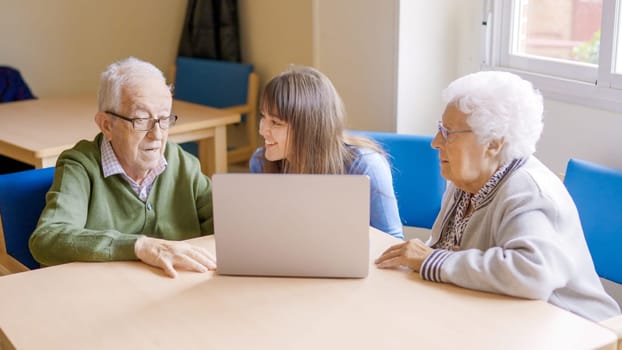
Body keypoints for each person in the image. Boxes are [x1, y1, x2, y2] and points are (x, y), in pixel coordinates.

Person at [375, 71, 621, 321]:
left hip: (576, 329)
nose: (436, 142)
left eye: (449, 133)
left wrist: (433, 261)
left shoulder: (529, 192)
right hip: (502, 318)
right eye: (440, 129)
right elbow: (442, 253)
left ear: (493, 144)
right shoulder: (465, 181)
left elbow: (532, 273)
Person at [29, 57, 216, 278]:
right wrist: (139, 246)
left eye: (164, 119)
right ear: (107, 125)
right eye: (141, 120)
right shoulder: (80, 166)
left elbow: (226, 221)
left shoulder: (181, 162)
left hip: (177, 291)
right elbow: (48, 238)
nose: (157, 135)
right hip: (104, 297)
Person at [249, 66, 403, 240]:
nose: (262, 130)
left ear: (309, 128)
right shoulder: (260, 162)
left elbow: (392, 241)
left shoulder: (365, 166)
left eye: (275, 123)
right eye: (263, 117)